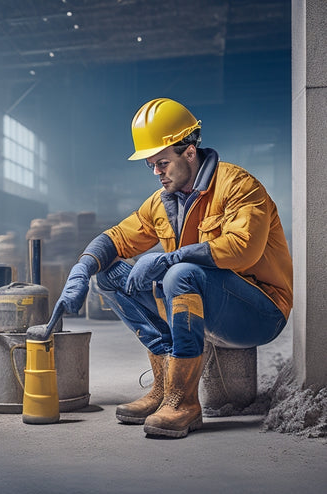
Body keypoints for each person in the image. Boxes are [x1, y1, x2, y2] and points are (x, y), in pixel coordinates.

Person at [48, 97, 293, 438]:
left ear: (189, 152)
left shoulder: (238, 186)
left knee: (179, 274)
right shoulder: (164, 200)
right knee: (110, 275)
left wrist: (169, 258)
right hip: (199, 301)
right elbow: (118, 237)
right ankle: (166, 387)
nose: (156, 173)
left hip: (260, 310)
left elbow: (244, 248)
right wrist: (82, 270)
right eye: (151, 165)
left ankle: (184, 402)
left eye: (162, 163)